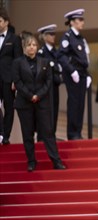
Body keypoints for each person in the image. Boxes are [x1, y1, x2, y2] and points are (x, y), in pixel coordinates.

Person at [12, 35, 66, 172]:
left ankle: (56, 161)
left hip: (42, 102)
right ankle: (31, 161)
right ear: (24, 47)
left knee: (48, 132)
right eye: (29, 45)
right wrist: (30, 96)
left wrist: (38, 95)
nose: (31, 47)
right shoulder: (17, 63)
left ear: (37, 47)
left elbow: (48, 82)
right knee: (27, 133)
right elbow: (17, 82)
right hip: (25, 102)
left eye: (34, 45)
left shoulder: (45, 62)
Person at [57, 9, 92, 140]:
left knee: (81, 104)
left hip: (82, 74)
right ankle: (72, 133)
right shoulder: (68, 37)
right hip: (73, 74)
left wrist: (87, 74)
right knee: (74, 103)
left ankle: (78, 132)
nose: (82, 22)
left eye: (82, 19)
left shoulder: (80, 38)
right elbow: (61, 55)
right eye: (80, 19)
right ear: (72, 22)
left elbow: (84, 59)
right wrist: (71, 71)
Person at [0, 8, 23, 145]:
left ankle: (6, 135)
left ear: (6, 22)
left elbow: (18, 60)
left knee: (9, 108)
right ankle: (0, 133)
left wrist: (16, 80)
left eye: (0, 21)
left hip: (8, 79)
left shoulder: (14, 39)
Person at [37, 24, 63, 135]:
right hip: (46, 87)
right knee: (46, 111)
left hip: (55, 85)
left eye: (54, 34)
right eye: (51, 34)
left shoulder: (56, 52)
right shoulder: (42, 52)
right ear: (44, 36)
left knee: (55, 109)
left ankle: (52, 133)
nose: (53, 36)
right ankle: (44, 136)